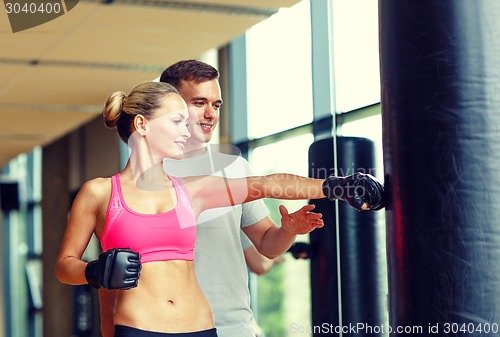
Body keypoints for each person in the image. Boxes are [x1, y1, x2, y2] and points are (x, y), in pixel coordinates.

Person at [55, 81, 384, 337]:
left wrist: (336, 187)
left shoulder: (193, 191)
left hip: (201, 326)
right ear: (142, 124)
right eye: (177, 121)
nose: (187, 131)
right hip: (138, 328)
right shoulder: (99, 192)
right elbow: (64, 265)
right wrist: (93, 271)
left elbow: (265, 184)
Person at [99, 60, 327, 337]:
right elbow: (111, 272)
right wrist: (108, 328)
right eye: (199, 103)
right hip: (157, 328)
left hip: (232, 327)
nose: (210, 114)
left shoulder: (233, 168)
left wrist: (289, 230)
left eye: (216, 105)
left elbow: (267, 245)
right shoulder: (137, 181)